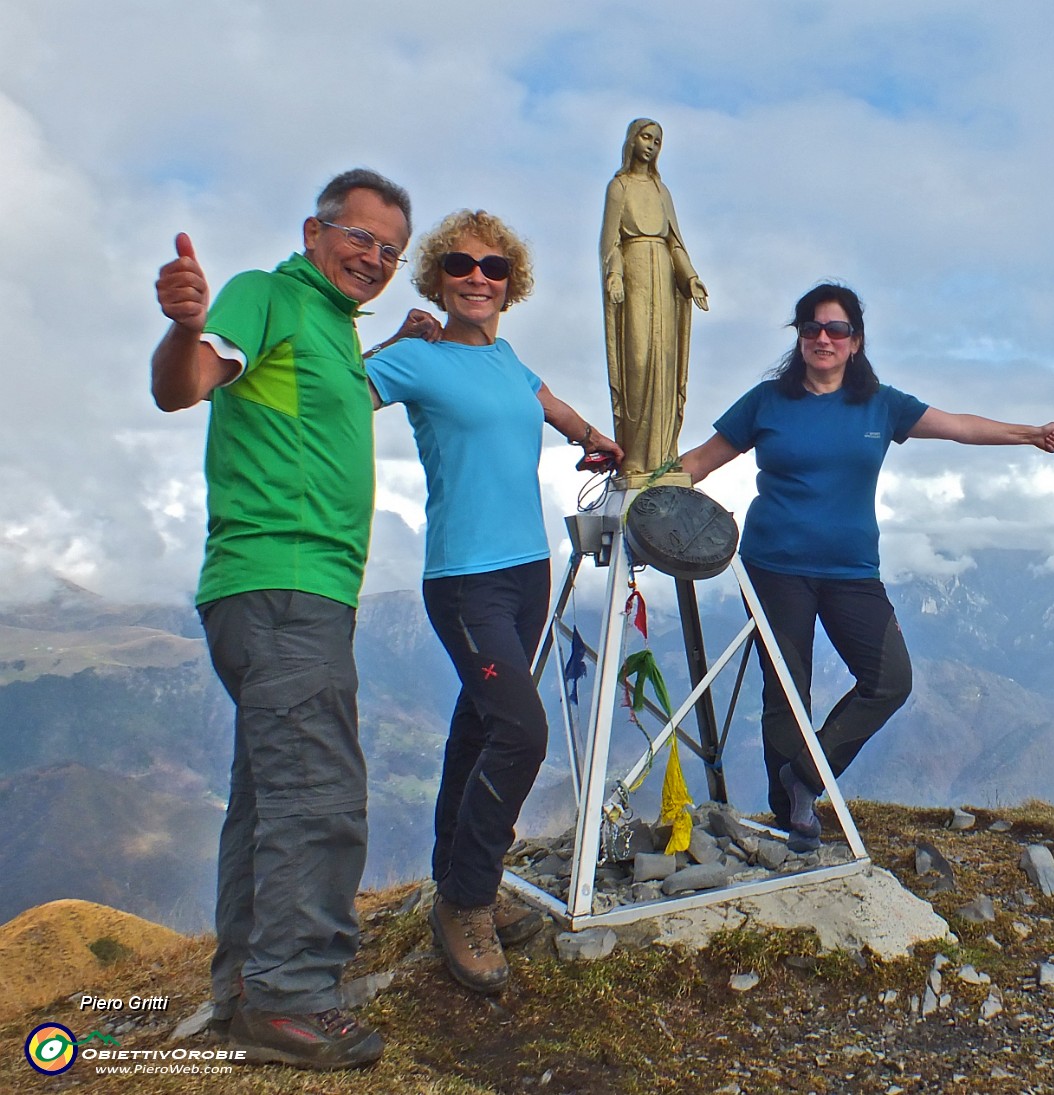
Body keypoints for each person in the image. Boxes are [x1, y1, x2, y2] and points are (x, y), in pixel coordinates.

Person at [152, 169, 419, 1068]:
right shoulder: (265, 294)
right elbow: (190, 380)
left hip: (283, 592)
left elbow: (320, 401)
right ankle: (292, 998)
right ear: (315, 232)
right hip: (283, 587)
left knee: (270, 796)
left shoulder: (335, 334)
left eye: (391, 251)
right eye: (360, 237)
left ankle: (244, 987)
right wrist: (185, 327)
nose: (374, 259)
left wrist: (403, 343)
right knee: (318, 797)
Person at [680, 283, 1054, 851]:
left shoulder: (880, 404)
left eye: (836, 329)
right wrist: (647, 479)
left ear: (855, 341)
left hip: (852, 572)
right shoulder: (766, 402)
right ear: (799, 337)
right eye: (811, 328)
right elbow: (702, 461)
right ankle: (793, 818)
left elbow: (957, 426)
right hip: (774, 568)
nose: (822, 339)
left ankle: (805, 780)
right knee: (786, 689)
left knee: (890, 680)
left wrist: (1027, 434)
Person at [365, 209, 622, 994]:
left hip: (526, 571)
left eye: (495, 267)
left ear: (513, 282)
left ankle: (455, 873)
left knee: (479, 725)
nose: (478, 276)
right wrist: (391, 343)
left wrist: (596, 438)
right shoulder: (418, 358)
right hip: (465, 579)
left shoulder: (510, 360)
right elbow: (333, 392)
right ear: (436, 278)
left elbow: (552, 407)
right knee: (519, 730)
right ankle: (468, 902)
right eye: (460, 264)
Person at [600, 117, 708, 485]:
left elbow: (674, 242)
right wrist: (614, 275)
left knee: (665, 364)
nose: (651, 145)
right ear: (632, 141)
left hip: (663, 277)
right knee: (639, 362)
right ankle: (635, 457)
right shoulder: (620, 187)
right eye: (646, 137)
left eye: (658, 141)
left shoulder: (663, 192)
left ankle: (663, 455)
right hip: (634, 277)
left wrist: (690, 277)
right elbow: (610, 242)